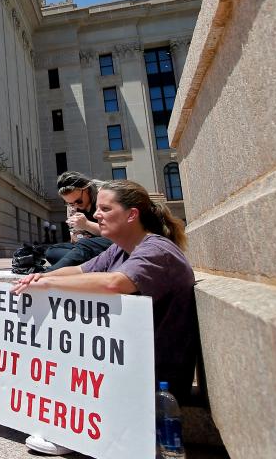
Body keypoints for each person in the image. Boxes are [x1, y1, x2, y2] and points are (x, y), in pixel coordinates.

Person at [12, 179, 198, 456]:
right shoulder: (122, 247)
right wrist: (38, 278)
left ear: (131, 214)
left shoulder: (157, 250)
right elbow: (81, 271)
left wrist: (49, 285)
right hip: (127, 361)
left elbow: (115, 283)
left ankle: (75, 432)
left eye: (105, 209)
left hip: (157, 377)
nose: (96, 215)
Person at [40, 171, 112, 272]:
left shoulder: (103, 195)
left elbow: (114, 232)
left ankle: (49, 273)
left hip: (111, 243)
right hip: (87, 248)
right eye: (70, 203)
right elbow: (74, 240)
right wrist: (77, 235)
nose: (76, 205)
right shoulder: (72, 207)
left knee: (86, 245)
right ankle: (96, 264)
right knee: (51, 251)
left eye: (79, 201)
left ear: (86, 189)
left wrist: (87, 225)